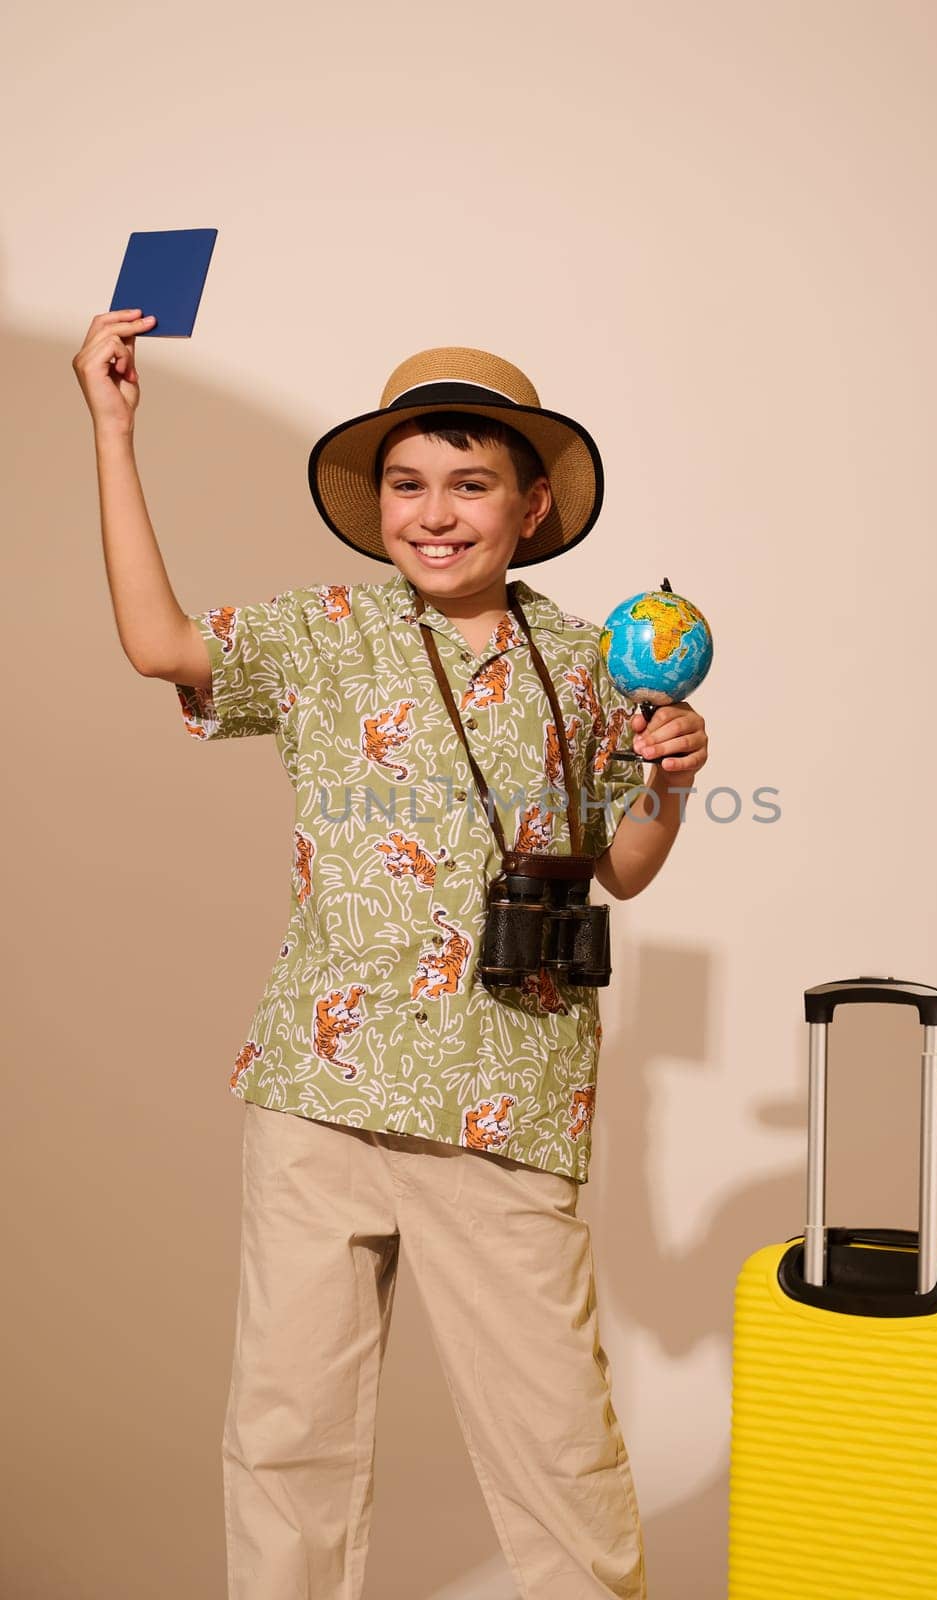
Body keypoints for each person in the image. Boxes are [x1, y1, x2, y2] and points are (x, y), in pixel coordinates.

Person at [72, 310, 709, 1600]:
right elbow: (161, 645)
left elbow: (621, 870)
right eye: (407, 486)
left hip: (505, 1099)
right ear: (375, 507)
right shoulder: (322, 635)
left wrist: (673, 785)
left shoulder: (596, 665)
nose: (436, 513)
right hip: (322, 1089)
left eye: (471, 485)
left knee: (555, 1444)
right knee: (286, 1434)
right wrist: (114, 425)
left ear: (532, 505)